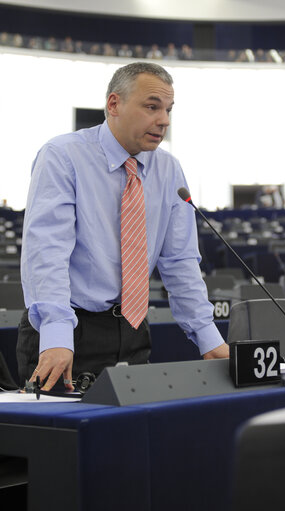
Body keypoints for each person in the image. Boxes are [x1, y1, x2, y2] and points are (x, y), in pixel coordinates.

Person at [18, 62, 229, 392]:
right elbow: (47, 253)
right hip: (68, 333)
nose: (164, 121)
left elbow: (180, 263)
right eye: (151, 107)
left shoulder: (169, 170)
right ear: (113, 105)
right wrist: (57, 334)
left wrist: (208, 337)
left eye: (168, 110)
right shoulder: (62, 156)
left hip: (133, 331)